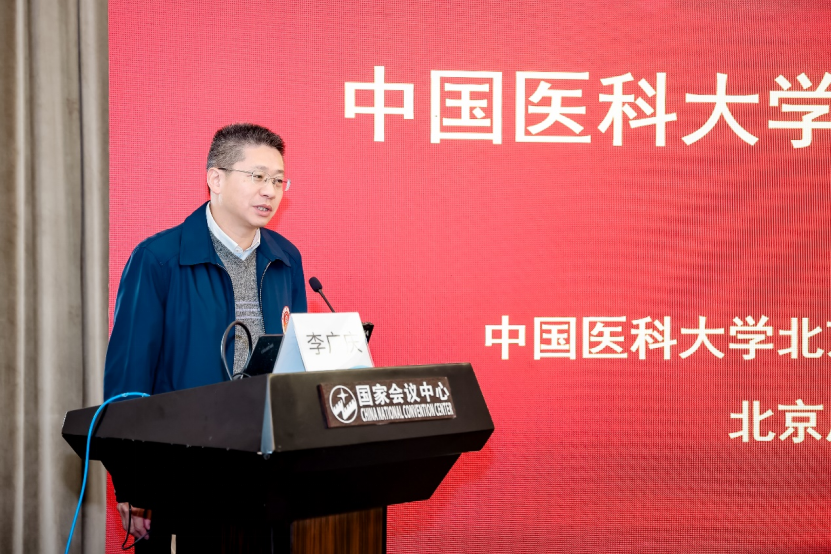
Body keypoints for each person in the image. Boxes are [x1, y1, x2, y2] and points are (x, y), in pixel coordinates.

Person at [103, 123, 307, 546]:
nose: (269, 191)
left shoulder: (286, 258)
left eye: (278, 180)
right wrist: (132, 483)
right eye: (257, 176)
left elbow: (298, 365)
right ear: (215, 178)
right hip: (182, 471)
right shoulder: (159, 259)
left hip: (267, 470)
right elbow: (128, 380)